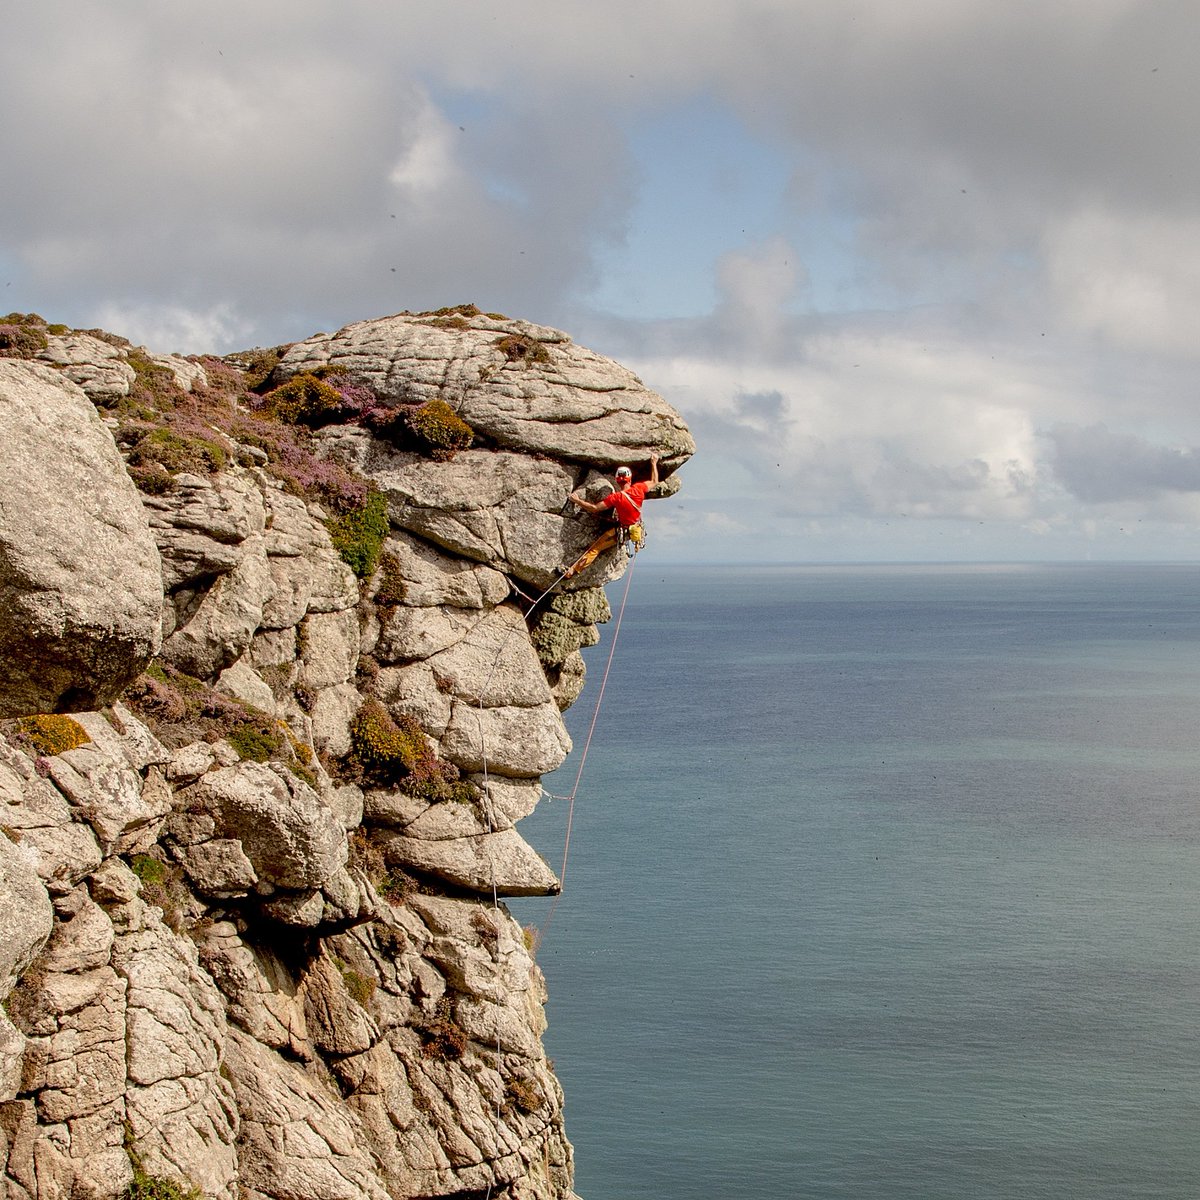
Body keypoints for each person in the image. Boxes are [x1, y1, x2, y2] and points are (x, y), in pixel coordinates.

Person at [561, 454, 659, 579]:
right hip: (633, 529)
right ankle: (572, 571)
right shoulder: (638, 489)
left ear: (617, 480)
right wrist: (654, 463)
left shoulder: (616, 498)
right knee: (597, 548)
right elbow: (654, 481)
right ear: (629, 479)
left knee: (595, 549)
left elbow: (594, 508)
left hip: (621, 531)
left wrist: (577, 500)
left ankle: (572, 571)